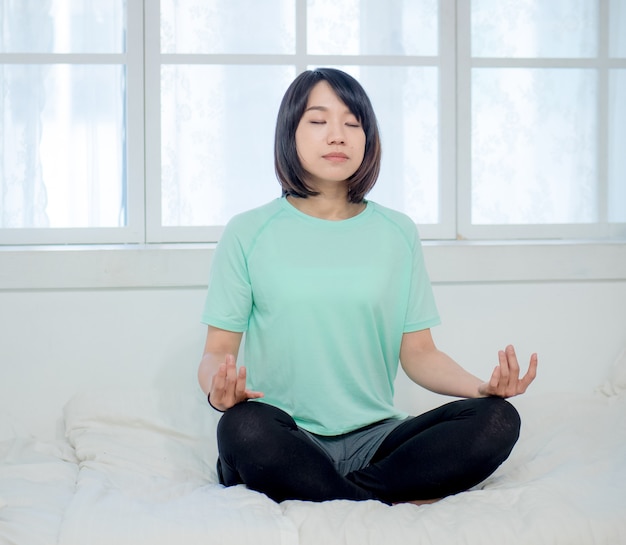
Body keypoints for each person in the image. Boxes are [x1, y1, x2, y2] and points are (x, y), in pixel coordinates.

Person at [197, 67, 538, 505]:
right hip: (286, 435)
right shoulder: (248, 231)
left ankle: (338, 496)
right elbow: (216, 350)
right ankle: (378, 496)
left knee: (497, 419)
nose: (337, 135)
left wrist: (481, 389)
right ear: (289, 133)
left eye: (352, 124)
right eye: (318, 121)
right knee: (242, 428)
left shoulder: (397, 232)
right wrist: (217, 390)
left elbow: (419, 353)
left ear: (367, 138)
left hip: (377, 441)